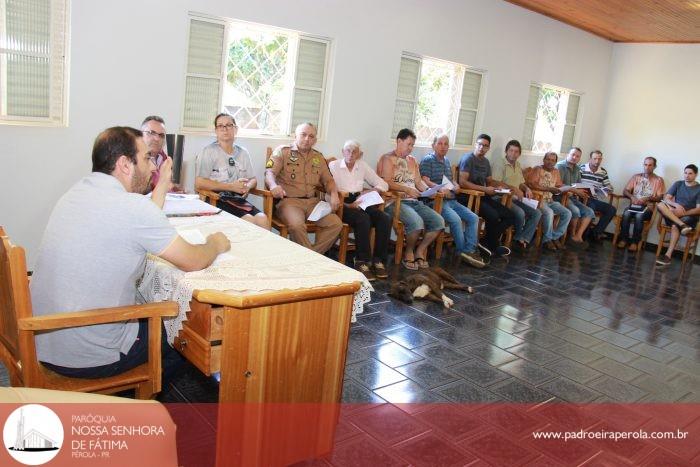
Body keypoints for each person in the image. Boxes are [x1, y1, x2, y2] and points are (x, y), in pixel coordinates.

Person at [30, 127, 231, 382]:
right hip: (89, 353)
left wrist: (163, 184)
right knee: (187, 333)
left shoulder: (75, 194)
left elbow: (142, 217)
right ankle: (130, 400)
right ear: (125, 164)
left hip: (46, 339)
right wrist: (214, 243)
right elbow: (194, 260)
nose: (153, 168)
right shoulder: (131, 209)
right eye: (147, 158)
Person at [265, 122, 342, 254]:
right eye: (303, 134)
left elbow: (328, 180)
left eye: (311, 136)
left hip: (313, 204)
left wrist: (334, 194)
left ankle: (311, 257)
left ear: (315, 140)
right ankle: (312, 259)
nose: (307, 139)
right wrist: (273, 185)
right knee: (296, 226)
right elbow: (269, 173)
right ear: (296, 136)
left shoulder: (318, 157)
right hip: (289, 202)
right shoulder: (283, 152)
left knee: (336, 224)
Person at [377, 128, 444, 270]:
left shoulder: (412, 161)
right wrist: (407, 189)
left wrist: (428, 190)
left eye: (412, 145)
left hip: (414, 201)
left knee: (439, 221)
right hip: (394, 202)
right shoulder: (387, 159)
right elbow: (386, 182)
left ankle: (419, 250)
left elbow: (419, 182)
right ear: (399, 141)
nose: (411, 148)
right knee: (416, 222)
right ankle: (408, 252)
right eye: (409, 144)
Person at [419, 134, 485, 268]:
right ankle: (462, 251)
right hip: (436, 200)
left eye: (446, 144)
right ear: (433, 145)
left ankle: (469, 251)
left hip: (451, 200)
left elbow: (450, 179)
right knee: (455, 219)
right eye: (440, 143)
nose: (443, 146)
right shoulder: (428, 160)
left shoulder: (447, 161)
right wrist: (439, 189)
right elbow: (424, 180)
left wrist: (456, 185)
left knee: (473, 218)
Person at [328, 140, 392, 280]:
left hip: (361, 201)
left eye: (354, 151)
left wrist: (372, 190)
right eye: (348, 150)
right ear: (342, 152)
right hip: (342, 204)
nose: (351, 154)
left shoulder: (362, 165)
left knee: (384, 218)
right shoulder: (333, 166)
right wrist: (346, 205)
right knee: (363, 218)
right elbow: (328, 192)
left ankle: (378, 260)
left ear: (359, 154)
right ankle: (362, 261)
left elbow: (383, 184)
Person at [195, 113, 270, 229]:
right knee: (248, 220)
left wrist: (247, 186)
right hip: (216, 199)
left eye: (229, 125)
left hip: (237, 199)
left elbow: (253, 179)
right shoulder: (208, 151)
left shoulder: (243, 152)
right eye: (220, 126)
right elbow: (199, 183)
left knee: (263, 219)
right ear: (216, 131)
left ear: (235, 129)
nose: (225, 129)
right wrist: (231, 187)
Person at [457, 133, 514, 257]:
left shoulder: (486, 162)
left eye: (485, 146)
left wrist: (498, 187)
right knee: (493, 216)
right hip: (469, 197)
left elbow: (489, 182)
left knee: (510, 216)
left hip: (484, 196)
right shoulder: (468, 159)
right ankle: (492, 244)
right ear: (475, 144)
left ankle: (487, 242)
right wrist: (484, 189)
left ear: (488, 148)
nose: (482, 147)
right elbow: (462, 182)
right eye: (480, 144)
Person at [491, 139, 542, 250]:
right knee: (520, 212)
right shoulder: (500, 163)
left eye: (516, 152)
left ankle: (521, 238)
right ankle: (520, 239)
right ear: (506, 151)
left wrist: (527, 188)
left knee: (537, 213)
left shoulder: (518, 165)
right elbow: (495, 183)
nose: (513, 154)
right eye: (511, 151)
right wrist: (513, 188)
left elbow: (521, 183)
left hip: (516, 198)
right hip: (501, 198)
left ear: (519, 154)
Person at [526, 152, 572, 250]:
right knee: (549, 213)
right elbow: (531, 184)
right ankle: (547, 240)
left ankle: (554, 237)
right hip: (538, 199)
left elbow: (559, 185)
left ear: (555, 162)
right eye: (548, 159)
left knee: (567, 213)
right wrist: (549, 189)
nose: (550, 162)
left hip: (550, 200)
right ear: (544, 159)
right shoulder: (537, 169)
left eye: (553, 160)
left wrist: (566, 188)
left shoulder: (556, 171)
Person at [617, 157, 666, 251]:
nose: (647, 167)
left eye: (650, 165)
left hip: (647, 207)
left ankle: (635, 242)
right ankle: (623, 239)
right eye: (645, 164)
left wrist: (648, 198)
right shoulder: (636, 177)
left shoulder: (658, 180)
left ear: (654, 166)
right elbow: (625, 191)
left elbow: (660, 197)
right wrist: (632, 197)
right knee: (626, 213)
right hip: (634, 205)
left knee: (639, 216)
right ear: (643, 165)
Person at [655, 164, 700, 265]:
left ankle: (668, 255)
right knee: (661, 204)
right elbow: (666, 198)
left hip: (689, 217)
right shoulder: (678, 184)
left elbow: (698, 210)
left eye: (690, 173)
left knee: (675, 226)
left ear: (696, 175)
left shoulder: (699, 189)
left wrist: (683, 212)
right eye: (685, 173)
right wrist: (675, 205)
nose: (687, 175)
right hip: (675, 214)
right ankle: (682, 225)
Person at [556, 147, 593, 247]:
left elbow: (578, 184)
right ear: (567, 155)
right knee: (575, 211)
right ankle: (571, 236)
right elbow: (558, 185)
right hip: (561, 197)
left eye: (577, 156)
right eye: (572, 154)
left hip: (572, 197)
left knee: (589, 212)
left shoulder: (577, 168)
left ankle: (578, 236)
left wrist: (582, 190)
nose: (574, 157)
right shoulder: (560, 166)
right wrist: (575, 190)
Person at [580, 150, 617, 241]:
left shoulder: (603, 172)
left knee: (611, 209)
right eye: (595, 158)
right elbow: (576, 183)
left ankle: (596, 232)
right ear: (590, 159)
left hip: (594, 198)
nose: (597, 161)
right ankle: (584, 234)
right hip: (581, 197)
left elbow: (608, 186)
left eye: (599, 159)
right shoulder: (581, 168)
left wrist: (608, 189)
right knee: (591, 207)